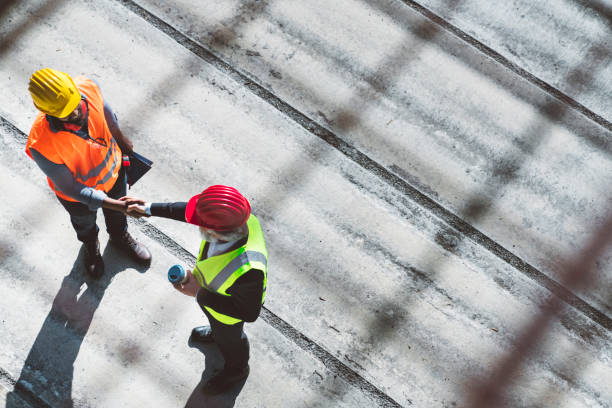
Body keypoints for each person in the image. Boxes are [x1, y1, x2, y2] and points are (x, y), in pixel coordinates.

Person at [124, 185, 267, 394]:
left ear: (214, 230)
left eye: (202, 223)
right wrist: (149, 208)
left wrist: (199, 292)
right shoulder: (240, 219)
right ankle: (218, 335)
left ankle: (237, 370)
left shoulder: (249, 270)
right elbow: (190, 212)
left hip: (228, 315)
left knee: (232, 338)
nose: (196, 223)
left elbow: (249, 313)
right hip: (213, 300)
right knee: (219, 328)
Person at [25, 68, 151, 278]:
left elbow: (108, 116)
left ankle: (119, 236)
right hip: (77, 197)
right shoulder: (41, 143)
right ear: (48, 112)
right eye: (68, 112)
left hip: (114, 172)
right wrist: (117, 204)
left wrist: (122, 141)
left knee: (118, 216)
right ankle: (91, 246)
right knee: (84, 224)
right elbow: (71, 188)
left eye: (76, 104)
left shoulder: (88, 86)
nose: (77, 113)